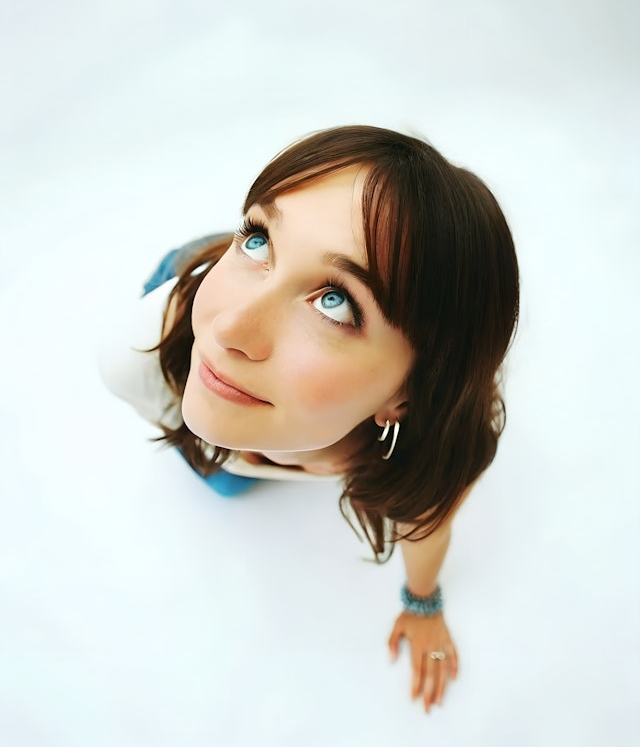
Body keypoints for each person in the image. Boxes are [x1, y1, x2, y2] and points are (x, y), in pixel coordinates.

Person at [99, 125, 519, 713]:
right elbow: (193, 414)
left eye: (335, 302)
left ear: (406, 397)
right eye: (257, 239)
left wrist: (423, 604)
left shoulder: (431, 452)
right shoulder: (135, 354)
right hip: (181, 280)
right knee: (223, 480)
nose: (229, 328)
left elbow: (427, 521)